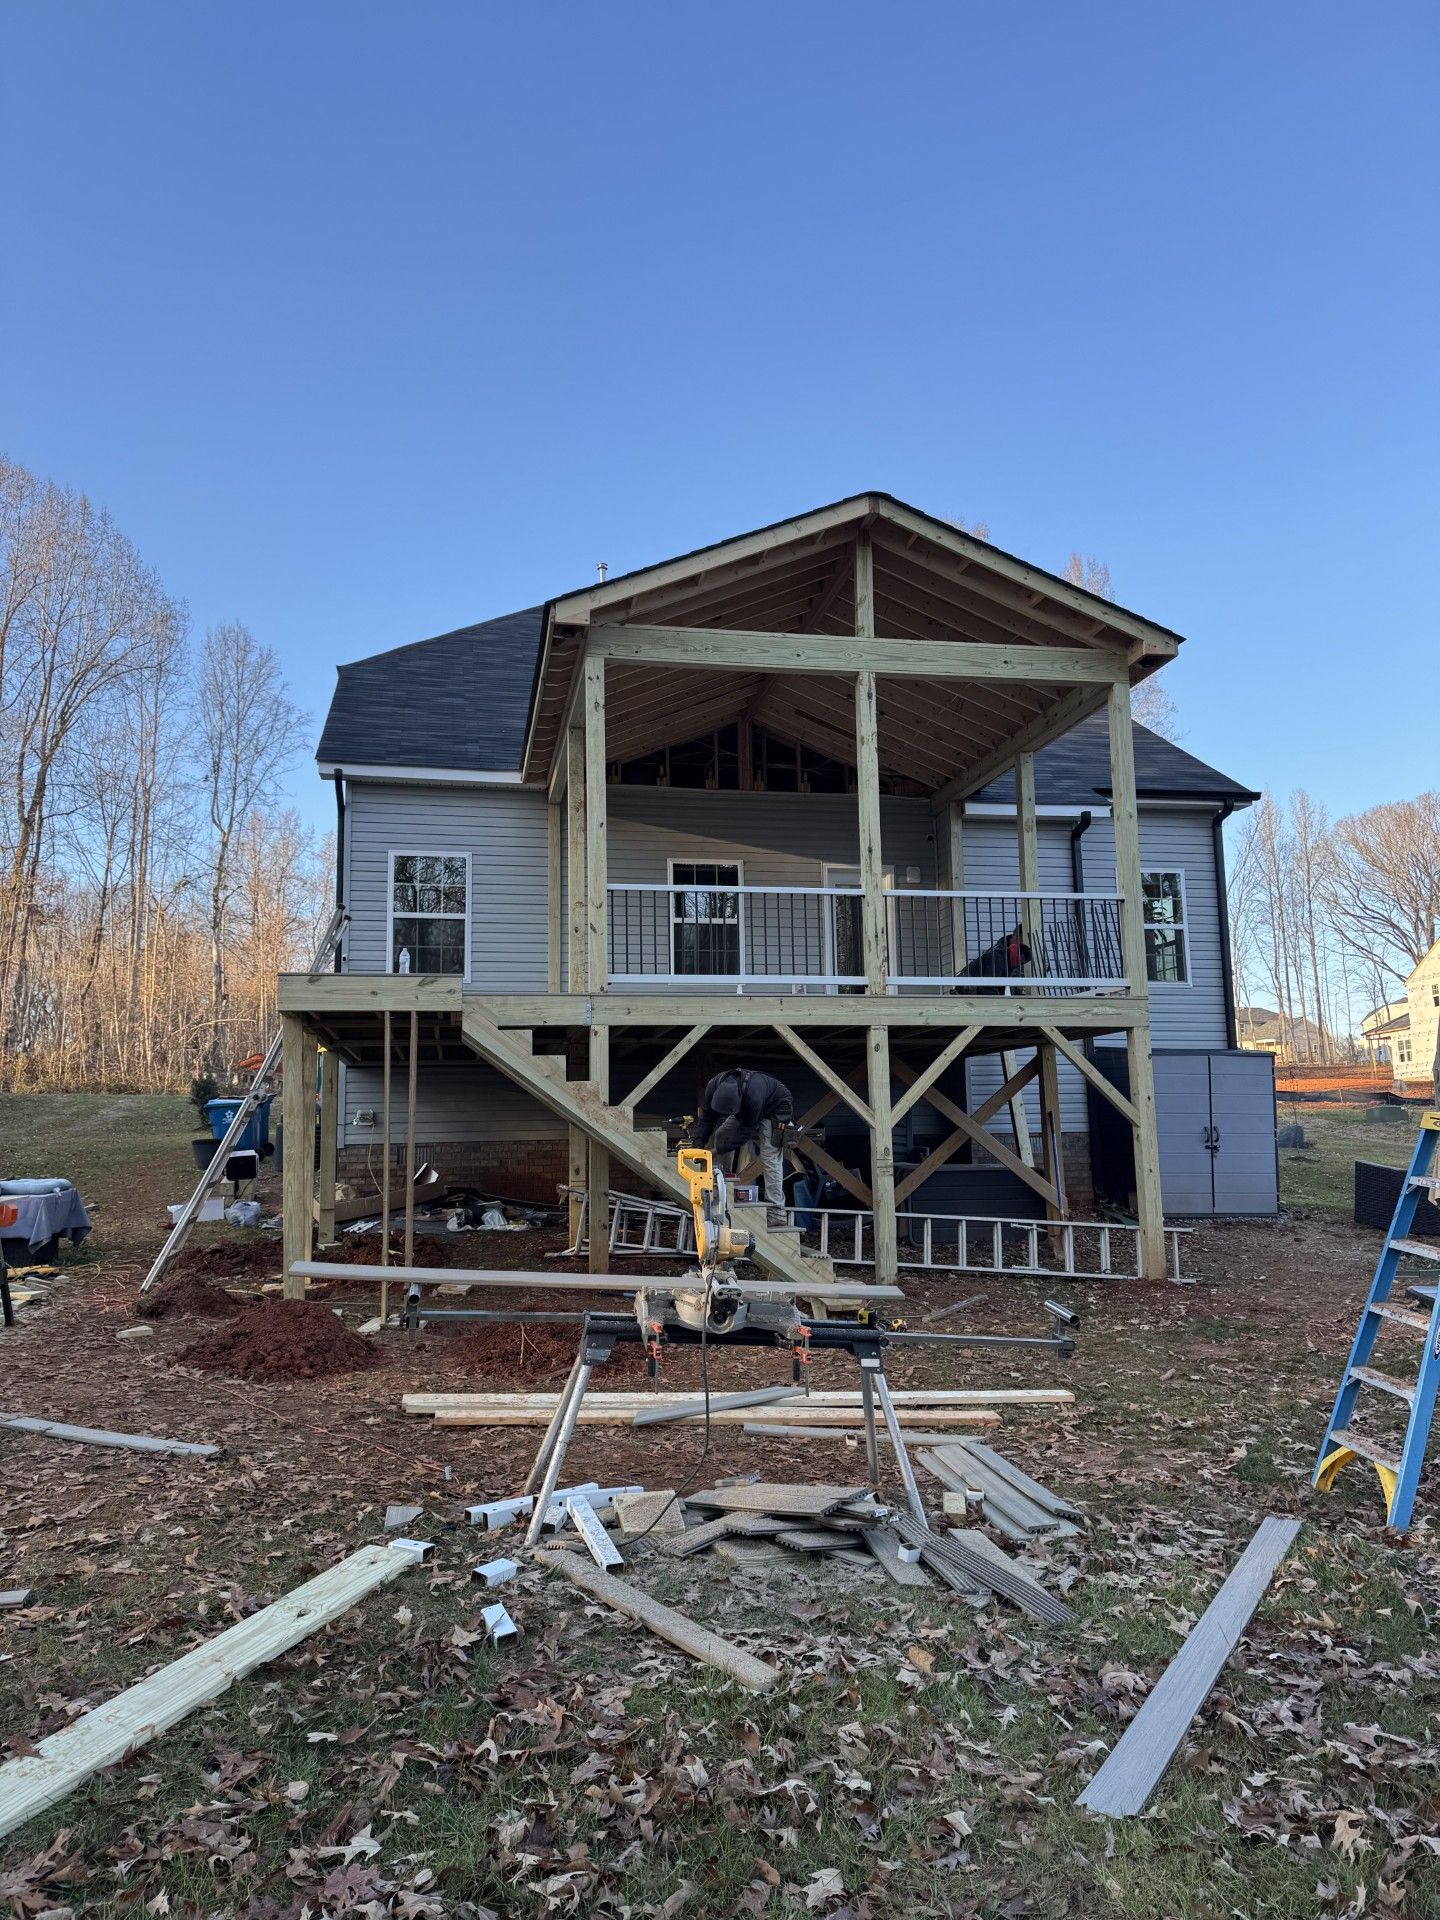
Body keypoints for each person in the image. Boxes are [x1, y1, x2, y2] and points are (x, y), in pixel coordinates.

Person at [689, 1067, 794, 1221]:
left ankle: (776, 1211)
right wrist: (698, 1144)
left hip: (774, 1109)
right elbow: (708, 1118)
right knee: (722, 1133)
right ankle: (720, 1178)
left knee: (770, 1157)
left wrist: (718, 1150)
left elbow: (746, 1132)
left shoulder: (754, 1094)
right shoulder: (712, 1085)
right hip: (745, 1108)